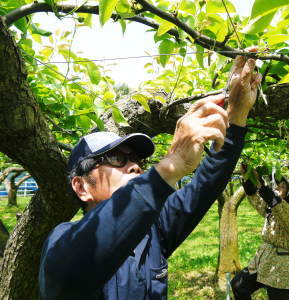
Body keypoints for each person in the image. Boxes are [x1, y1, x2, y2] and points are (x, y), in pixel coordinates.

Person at [38, 52, 262, 300]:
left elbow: (205, 184)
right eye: (115, 159)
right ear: (81, 187)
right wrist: (173, 163)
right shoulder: (62, 242)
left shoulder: (154, 231)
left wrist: (237, 114)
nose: (134, 166)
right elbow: (67, 273)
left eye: (137, 160)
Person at [231, 169, 289, 300]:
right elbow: (260, 202)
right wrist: (250, 182)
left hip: (281, 267)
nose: (277, 187)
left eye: (282, 187)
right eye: (277, 185)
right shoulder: (273, 210)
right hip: (263, 260)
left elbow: (279, 207)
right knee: (239, 284)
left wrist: (261, 184)